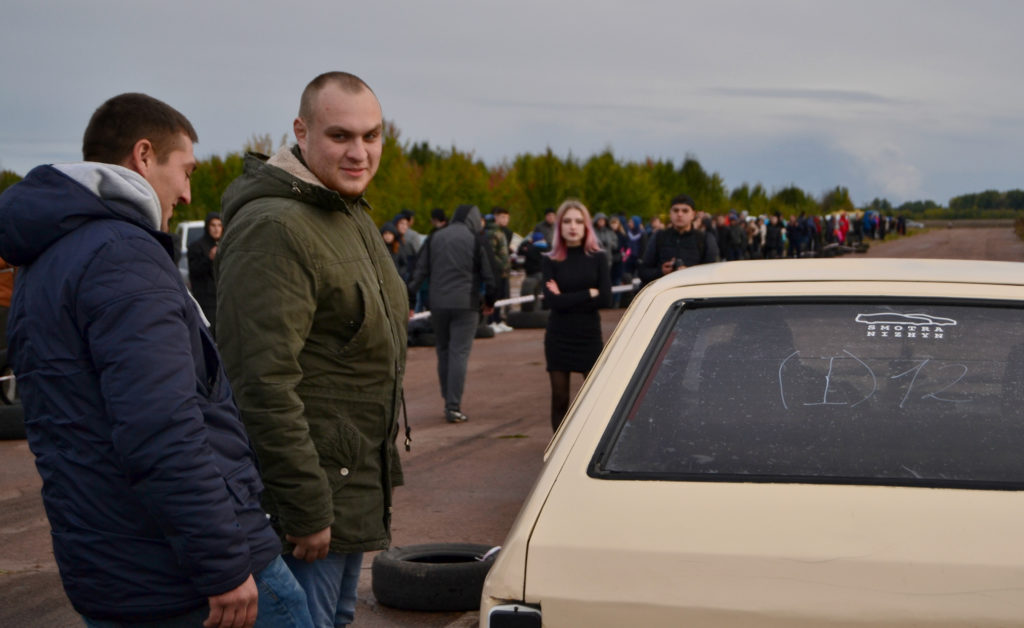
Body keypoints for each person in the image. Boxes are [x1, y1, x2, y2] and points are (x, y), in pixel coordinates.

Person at [0, 93, 312, 628]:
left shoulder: (46, 261)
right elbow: (160, 426)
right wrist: (223, 564)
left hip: (109, 566)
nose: (188, 193)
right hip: (179, 574)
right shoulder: (122, 255)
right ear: (144, 156)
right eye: (185, 170)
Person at [216, 72, 408, 628]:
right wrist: (303, 507)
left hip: (346, 485)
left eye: (372, 136)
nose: (359, 152)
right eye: (341, 136)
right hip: (308, 506)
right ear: (301, 132)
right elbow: (259, 383)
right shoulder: (276, 227)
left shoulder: (343, 211)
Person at [408, 204, 497, 423]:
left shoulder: (435, 237)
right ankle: (453, 406)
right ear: (474, 220)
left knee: (444, 351)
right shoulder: (477, 240)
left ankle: (447, 397)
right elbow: (491, 275)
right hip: (466, 305)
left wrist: (410, 301)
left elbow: (418, 273)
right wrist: (490, 302)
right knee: (459, 353)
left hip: (438, 305)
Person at [542, 200, 611, 431]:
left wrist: (566, 297)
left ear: (587, 226)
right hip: (558, 337)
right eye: (568, 221)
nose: (573, 226)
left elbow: (606, 299)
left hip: (588, 336)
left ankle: (593, 449)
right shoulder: (550, 260)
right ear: (559, 226)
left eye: (579, 221)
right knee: (560, 399)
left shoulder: (598, 257)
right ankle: (557, 454)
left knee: (595, 399)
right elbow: (553, 302)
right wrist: (587, 294)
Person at [639, 194, 719, 284]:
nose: (680, 214)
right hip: (664, 293)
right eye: (676, 210)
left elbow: (713, 274)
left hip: (693, 294)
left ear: (693, 214)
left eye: (685, 211)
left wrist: (690, 273)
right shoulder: (659, 236)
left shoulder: (704, 239)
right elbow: (643, 272)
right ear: (670, 213)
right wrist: (661, 271)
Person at [187, 211, 223, 331]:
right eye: (213, 225)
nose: (216, 229)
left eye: (219, 225)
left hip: (223, 299)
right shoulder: (196, 246)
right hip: (206, 301)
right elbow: (194, 270)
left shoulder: (225, 245)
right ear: (208, 227)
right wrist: (209, 258)